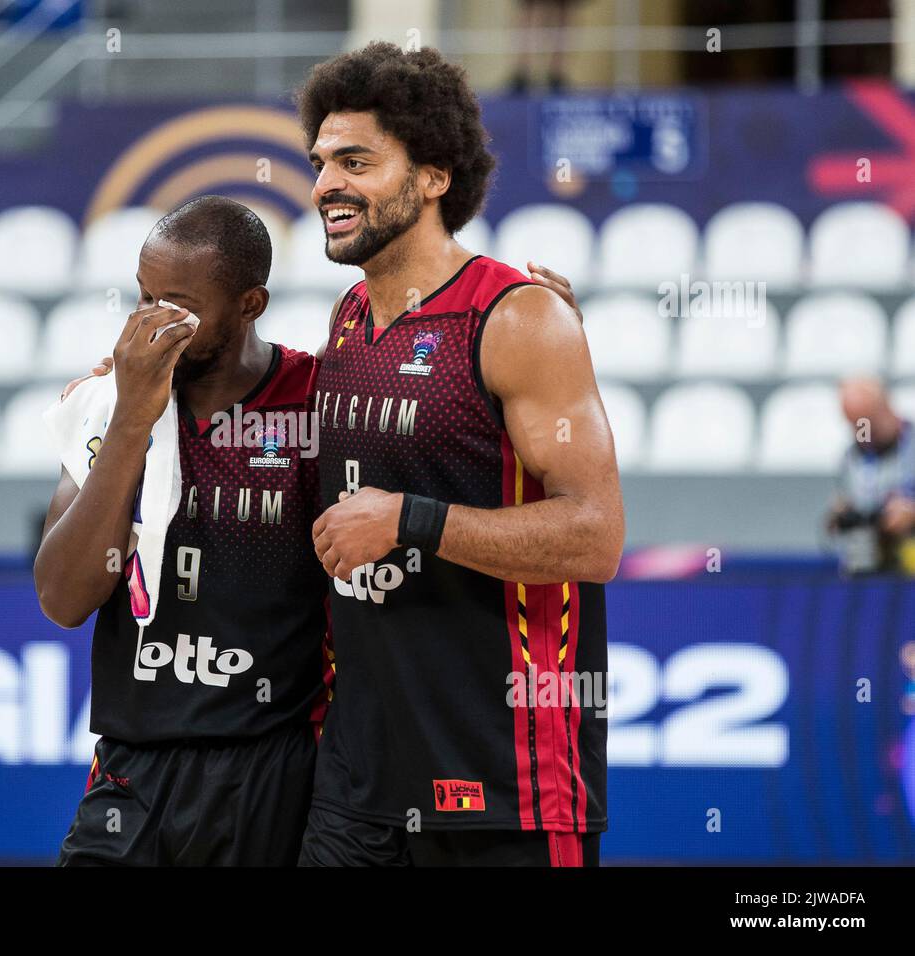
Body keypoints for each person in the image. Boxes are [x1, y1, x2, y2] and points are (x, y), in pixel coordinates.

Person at [296, 41, 624, 866]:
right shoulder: (348, 318)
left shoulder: (520, 318)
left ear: (435, 177)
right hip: (357, 790)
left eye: (356, 160)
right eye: (320, 161)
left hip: (501, 789)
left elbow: (595, 536)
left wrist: (410, 520)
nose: (325, 183)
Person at [36, 196, 330, 866]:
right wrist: (131, 421)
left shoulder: (314, 402)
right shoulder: (106, 404)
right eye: (144, 297)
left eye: (179, 304)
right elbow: (63, 598)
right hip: (132, 767)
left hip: (271, 766)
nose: (152, 322)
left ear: (250, 304)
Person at [827, 376, 915, 575]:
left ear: (886, 407)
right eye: (856, 425)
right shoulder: (851, 458)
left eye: (867, 421)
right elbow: (847, 504)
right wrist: (841, 516)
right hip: (868, 566)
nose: (863, 430)